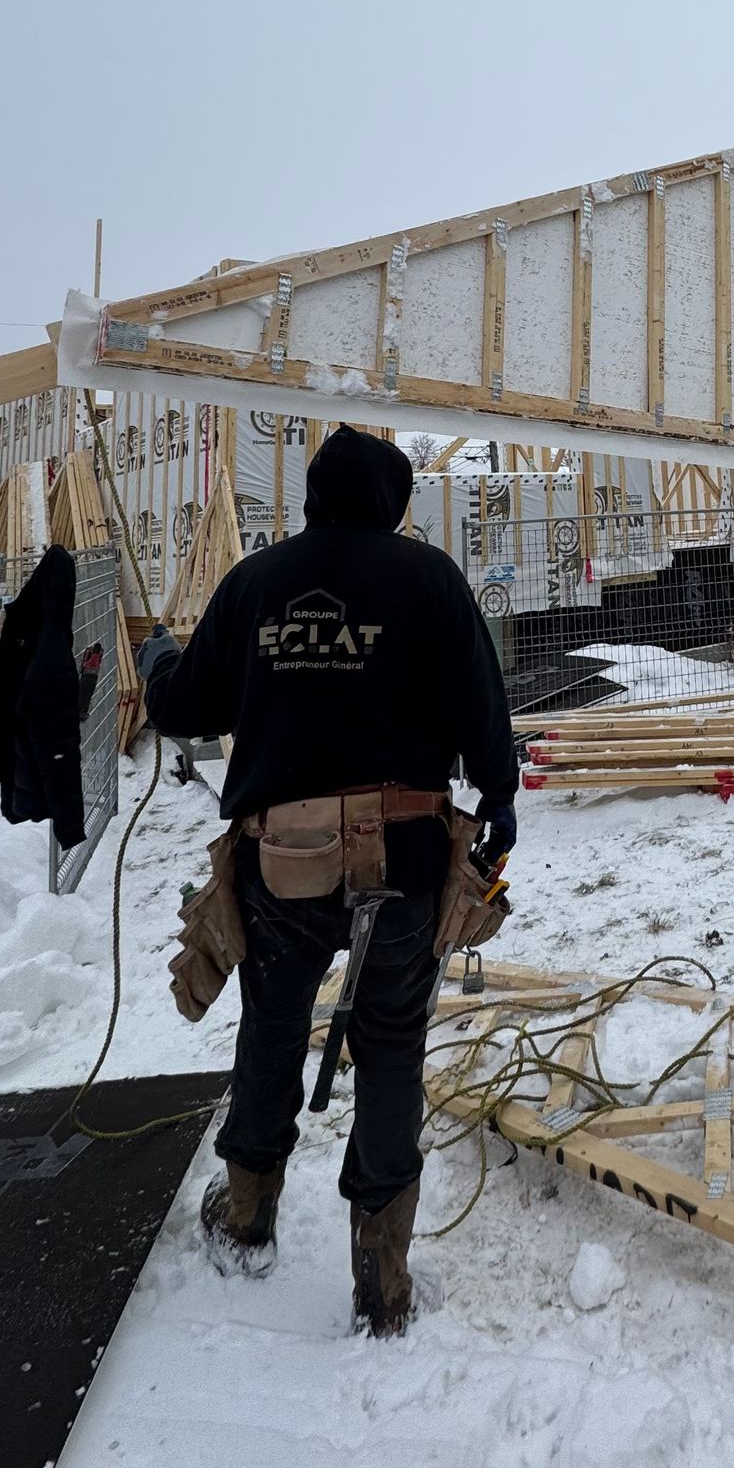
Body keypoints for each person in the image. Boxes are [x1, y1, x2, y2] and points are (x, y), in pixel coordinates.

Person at [138, 425, 516, 1335]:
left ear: (313, 498)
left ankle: (247, 1218)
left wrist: (157, 662)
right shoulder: (429, 581)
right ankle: (381, 1284)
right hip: (409, 855)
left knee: (273, 1025)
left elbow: (186, 704)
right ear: (393, 503)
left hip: (286, 862)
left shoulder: (258, 584)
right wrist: (499, 800)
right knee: (390, 1043)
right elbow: (482, 710)